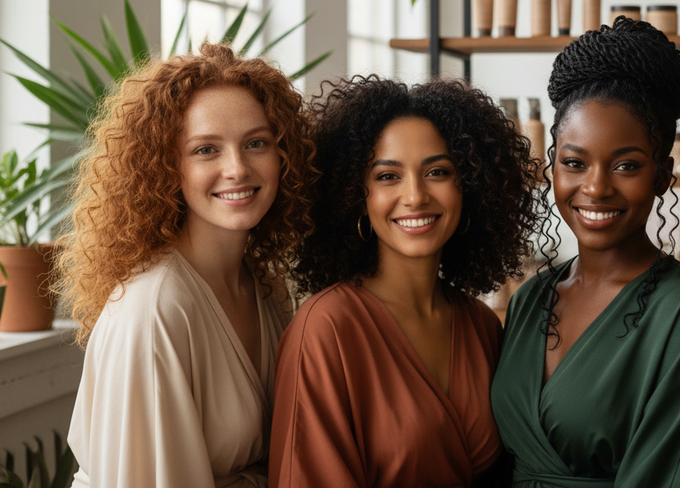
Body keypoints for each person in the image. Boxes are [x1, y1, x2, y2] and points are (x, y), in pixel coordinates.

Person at [57, 43, 316, 488]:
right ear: (165, 168)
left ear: (284, 156)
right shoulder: (156, 310)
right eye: (206, 150)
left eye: (256, 143)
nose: (236, 168)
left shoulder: (264, 285)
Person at [491, 16, 680, 488]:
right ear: (553, 167)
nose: (595, 187)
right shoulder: (528, 299)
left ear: (663, 176)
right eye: (575, 163)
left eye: (626, 165)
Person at [269, 76, 541, 488]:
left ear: (469, 185)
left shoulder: (481, 326)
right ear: (355, 195)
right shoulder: (326, 331)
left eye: (437, 171)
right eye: (387, 176)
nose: (415, 196)